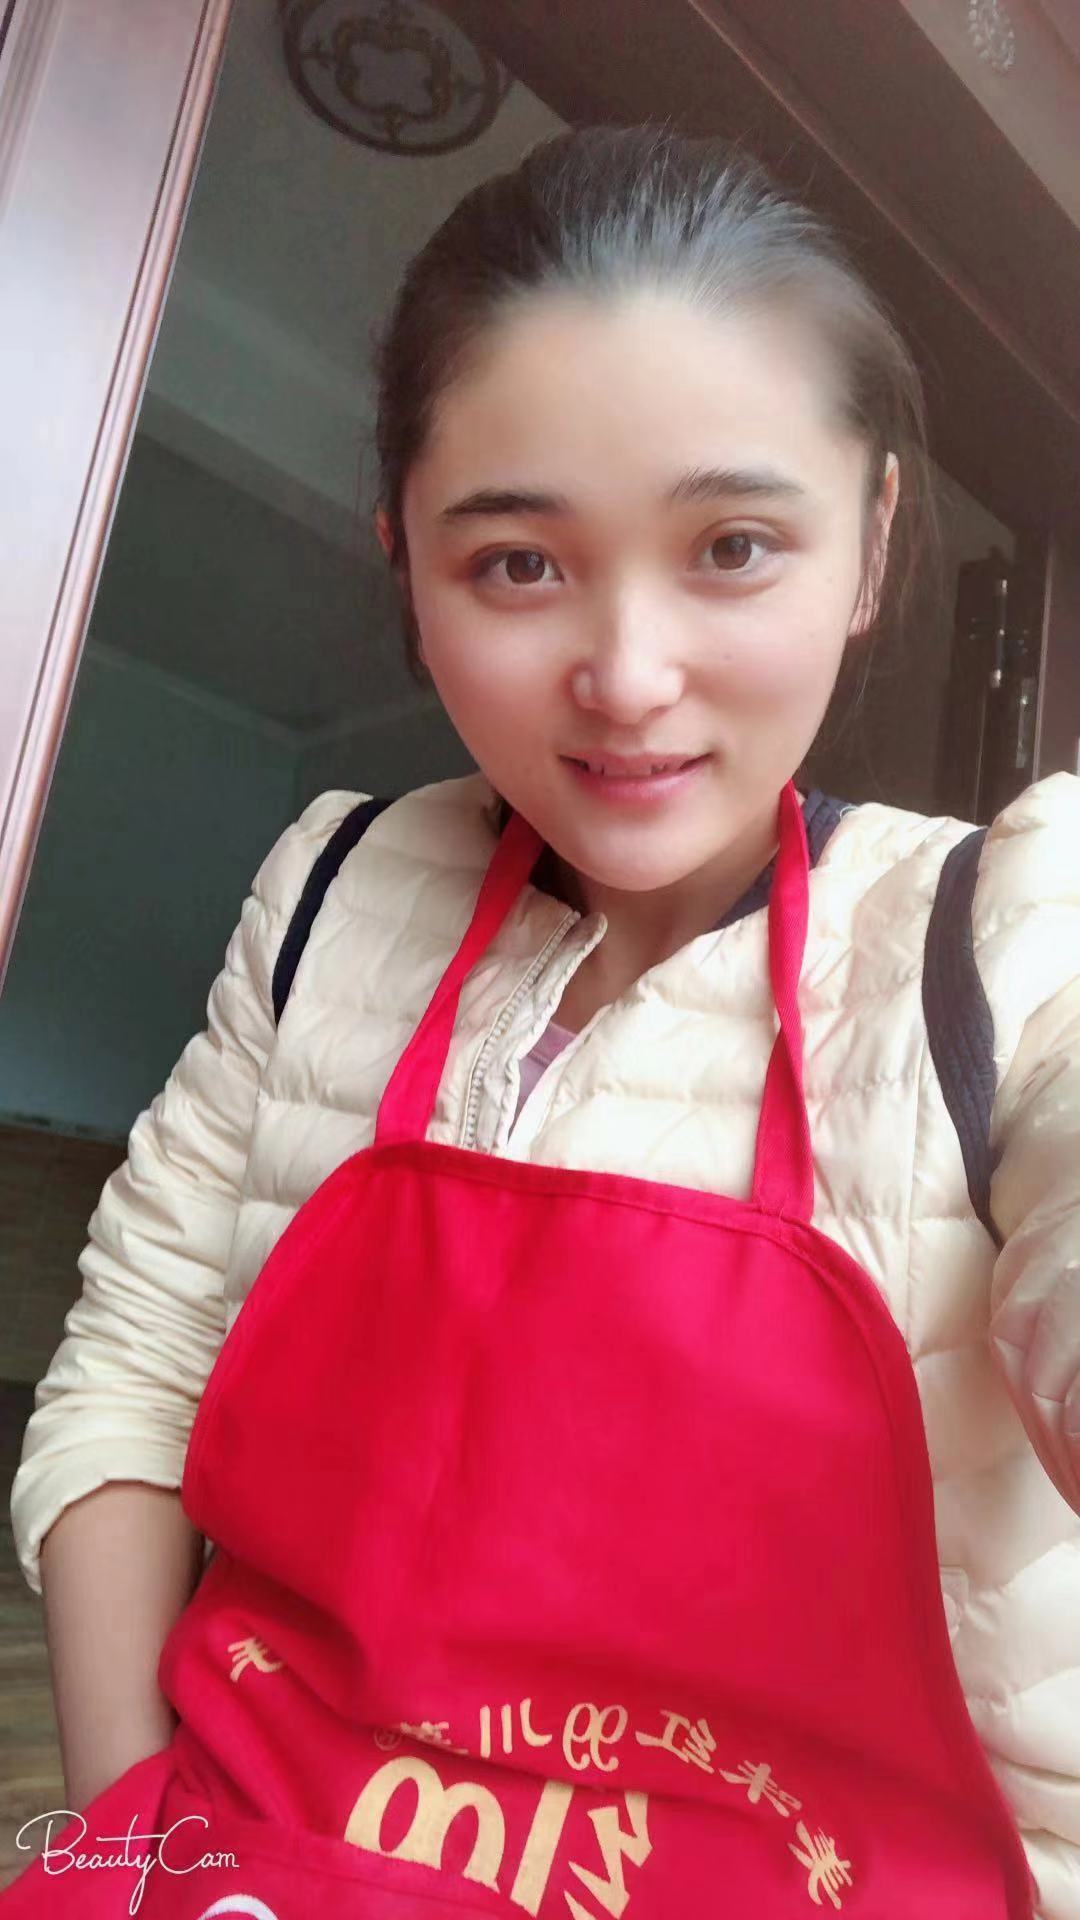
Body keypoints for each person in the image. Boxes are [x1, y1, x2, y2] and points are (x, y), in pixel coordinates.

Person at [6, 125, 1080, 1919]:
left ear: (873, 542)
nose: (629, 677)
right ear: (405, 566)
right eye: (517, 565)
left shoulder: (1005, 933)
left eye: (734, 545)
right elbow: (133, 1374)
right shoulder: (336, 890)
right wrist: (141, 1857)